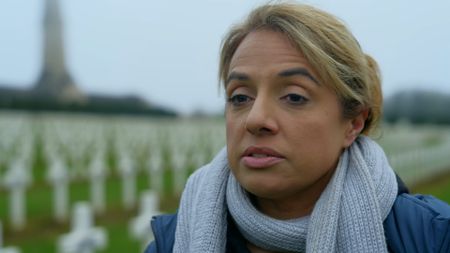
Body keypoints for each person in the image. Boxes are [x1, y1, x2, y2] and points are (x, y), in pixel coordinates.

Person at [145, 2, 450, 253]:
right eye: (240, 97)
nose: (255, 119)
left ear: (353, 123)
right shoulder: (171, 243)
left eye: (294, 96)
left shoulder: (432, 237)